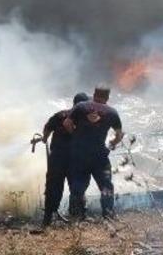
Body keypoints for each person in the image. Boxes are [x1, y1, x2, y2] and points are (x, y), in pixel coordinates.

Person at [64, 86, 124, 218]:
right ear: (107, 97)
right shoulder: (112, 112)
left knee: (78, 186)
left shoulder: (80, 106)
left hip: (80, 153)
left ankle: (76, 216)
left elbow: (67, 123)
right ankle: (108, 215)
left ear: (94, 94)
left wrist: (75, 136)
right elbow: (119, 135)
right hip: (99, 155)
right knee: (106, 185)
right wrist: (111, 145)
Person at [41, 92, 89, 226]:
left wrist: (45, 138)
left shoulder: (60, 115)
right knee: (77, 186)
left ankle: (48, 218)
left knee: (53, 186)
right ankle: (77, 215)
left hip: (57, 158)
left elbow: (47, 127)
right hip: (74, 159)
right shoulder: (85, 120)